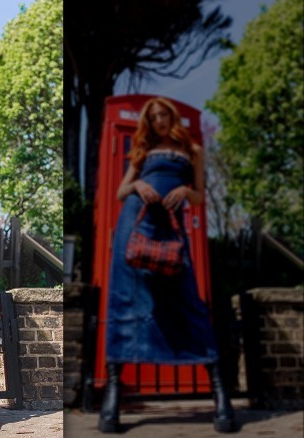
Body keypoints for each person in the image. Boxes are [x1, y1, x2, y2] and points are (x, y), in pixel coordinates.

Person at [99, 97, 234, 433]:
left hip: (169, 232)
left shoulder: (194, 152)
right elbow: (120, 192)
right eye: (154, 116)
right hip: (136, 226)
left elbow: (201, 194)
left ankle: (220, 394)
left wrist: (186, 191)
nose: (159, 120)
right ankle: (113, 397)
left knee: (189, 302)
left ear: (172, 117)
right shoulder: (143, 152)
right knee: (126, 300)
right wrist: (139, 184)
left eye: (163, 115)